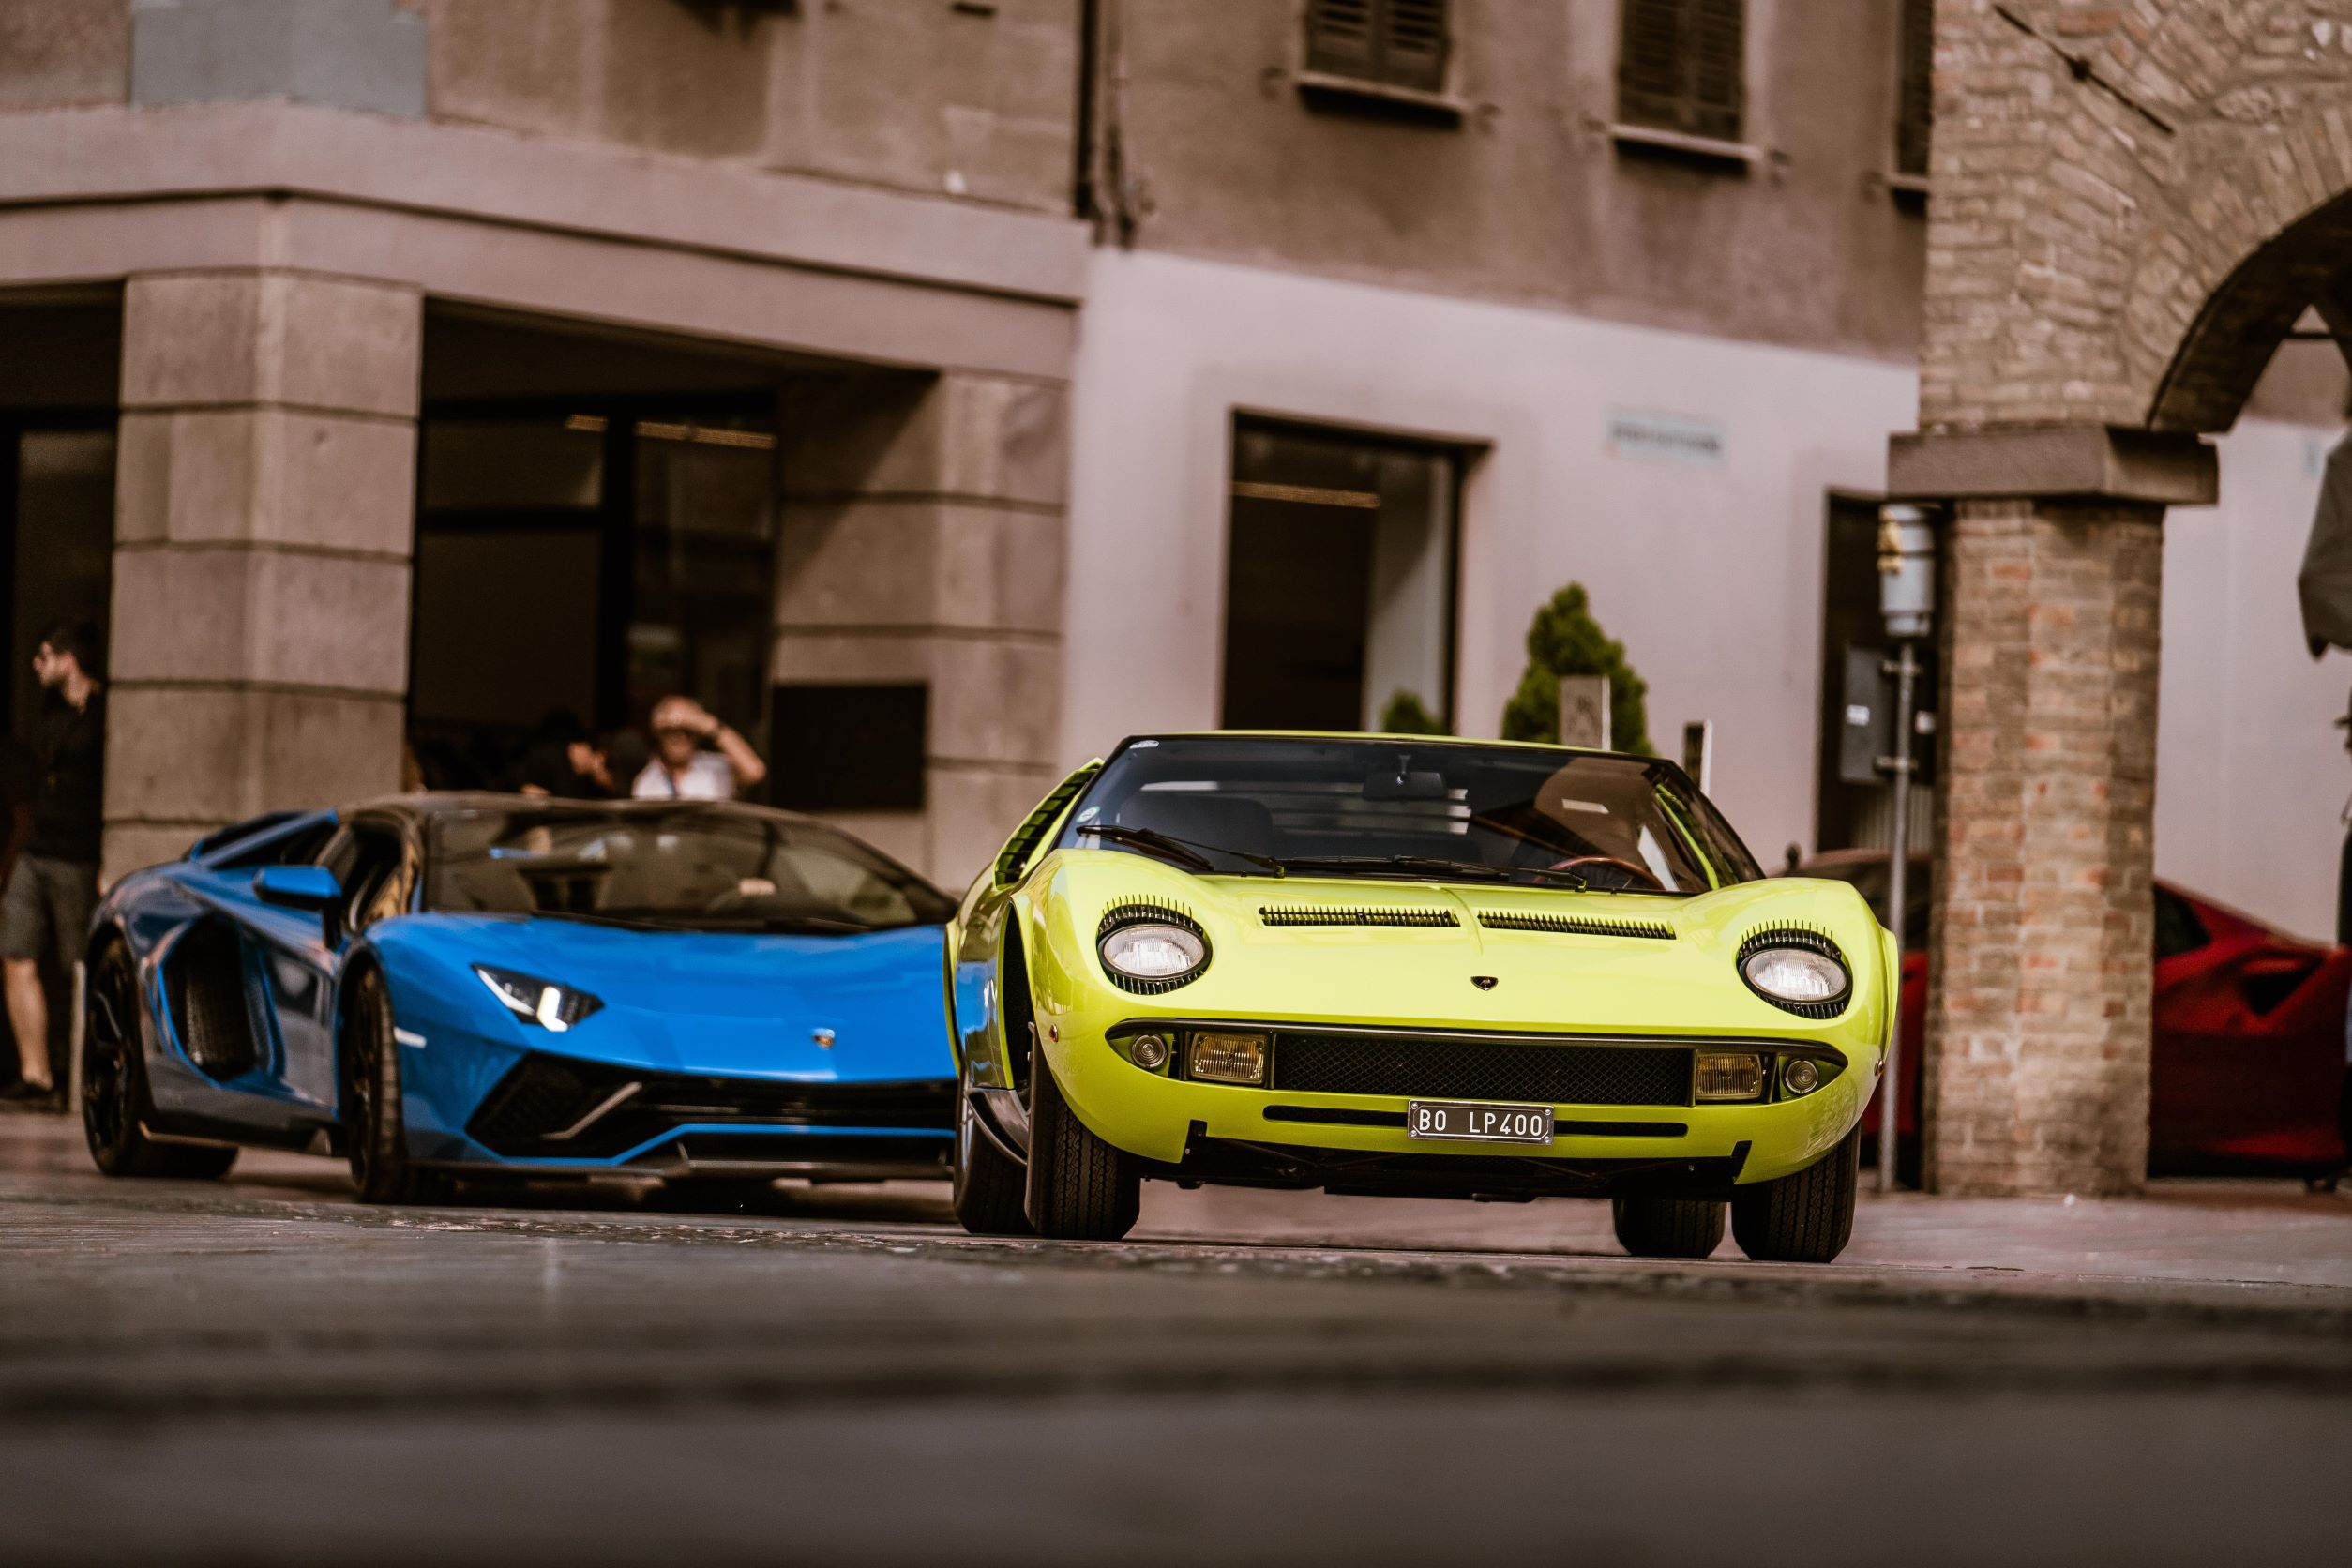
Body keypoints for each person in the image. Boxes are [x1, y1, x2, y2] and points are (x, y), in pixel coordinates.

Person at [1, 623, 106, 1106]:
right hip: (38, 850)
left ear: (69, 660)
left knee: (77, 965)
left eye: (44, 656)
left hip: (77, 855)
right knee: (15, 952)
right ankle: (36, 1074)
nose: (36, 665)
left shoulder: (105, 714)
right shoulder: (49, 713)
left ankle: (81, 1074)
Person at [631, 696, 766, 801]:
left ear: (698, 734)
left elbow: (755, 771)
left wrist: (704, 723)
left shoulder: (715, 767)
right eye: (670, 731)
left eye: (687, 730)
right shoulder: (646, 781)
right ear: (658, 733)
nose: (679, 736)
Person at [515, 712, 618, 800]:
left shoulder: (592, 781)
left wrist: (606, 784)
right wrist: (525, 787)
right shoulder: (550, 755)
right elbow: (515, 773)